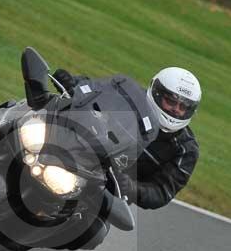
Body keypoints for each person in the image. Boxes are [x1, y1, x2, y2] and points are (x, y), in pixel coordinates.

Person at [53, 66, 201, 211]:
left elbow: (163, 191)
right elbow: (97, 90)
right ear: (157, 94)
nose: (176, 109)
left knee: (94, 229)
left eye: (183, 107)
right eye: (171, 101)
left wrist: (133, 188)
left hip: (105, 190)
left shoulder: (185, 149)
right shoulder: (132, 98)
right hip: (77, 151)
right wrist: (72, 82)